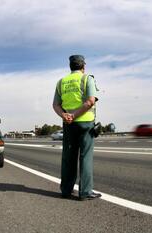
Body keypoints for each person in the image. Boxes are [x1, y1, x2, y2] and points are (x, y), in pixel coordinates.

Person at [53, 55, 102, 201]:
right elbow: (90, 101)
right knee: (85, 157)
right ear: (83, 66)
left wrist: (65, 116)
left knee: (68, 157)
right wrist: (74, 115)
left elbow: (55, 105)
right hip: (85, 123)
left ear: (70, 66)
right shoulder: (87, 79)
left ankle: (66, 190)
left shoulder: (61, 82)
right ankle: (85, 192)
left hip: (68, 125)